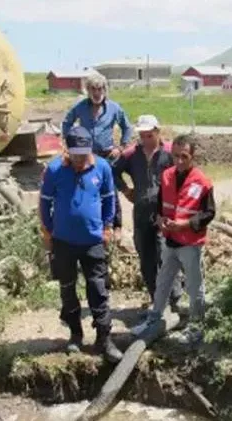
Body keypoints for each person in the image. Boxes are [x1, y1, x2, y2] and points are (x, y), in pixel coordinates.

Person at [39, 126, 124, 363]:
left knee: (98, 288)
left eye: (83, 155)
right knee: (67, 288)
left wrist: (108, 227)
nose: (79, 160)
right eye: (75, 155)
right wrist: (47, 230)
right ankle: (75, 335)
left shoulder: (102, 168)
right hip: (63, 242)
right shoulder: (55, 170)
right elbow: (44, 203)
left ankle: (104, 339)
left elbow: (109, 200)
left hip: (93, 241)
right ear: (67, 150)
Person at [142, 133, 216, 346]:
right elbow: (160, 205)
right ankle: (154, 318)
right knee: (163, 280)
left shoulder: (202, 182)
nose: (179, 161)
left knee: (194, 286)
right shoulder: (166, 176)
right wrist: (159, 219)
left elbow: (209, 213)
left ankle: (196, 326)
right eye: (175, 156)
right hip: (170, 240)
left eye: (184, 156)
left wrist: (185, 224)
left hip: (190, 243)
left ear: (192, 156)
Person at [113, 114, 183, 310]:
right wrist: (126, 190)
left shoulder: (170, 153)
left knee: (166, 254)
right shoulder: (131, 155)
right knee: (146, 256)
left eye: (149, 135)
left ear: (157, 132)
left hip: (165, 211)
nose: (145, 139)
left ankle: (175, 299)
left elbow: (185, 174)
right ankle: (157, 299)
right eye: (142, 135)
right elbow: (113, 171)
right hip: (142, 210)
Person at [62, 73, 132, 239]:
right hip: (86, 155)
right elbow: (67, 123)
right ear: (88, 90)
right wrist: (71, 144)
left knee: (110, 190)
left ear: (105, 90)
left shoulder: (114, 108)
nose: (96, 92)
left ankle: (116, 226)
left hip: (108, 156)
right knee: (87, 188)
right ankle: (91, 224)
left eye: (100, 88)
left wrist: (121, 147)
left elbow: (127, 127)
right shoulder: (80, 107)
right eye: (93, 89)